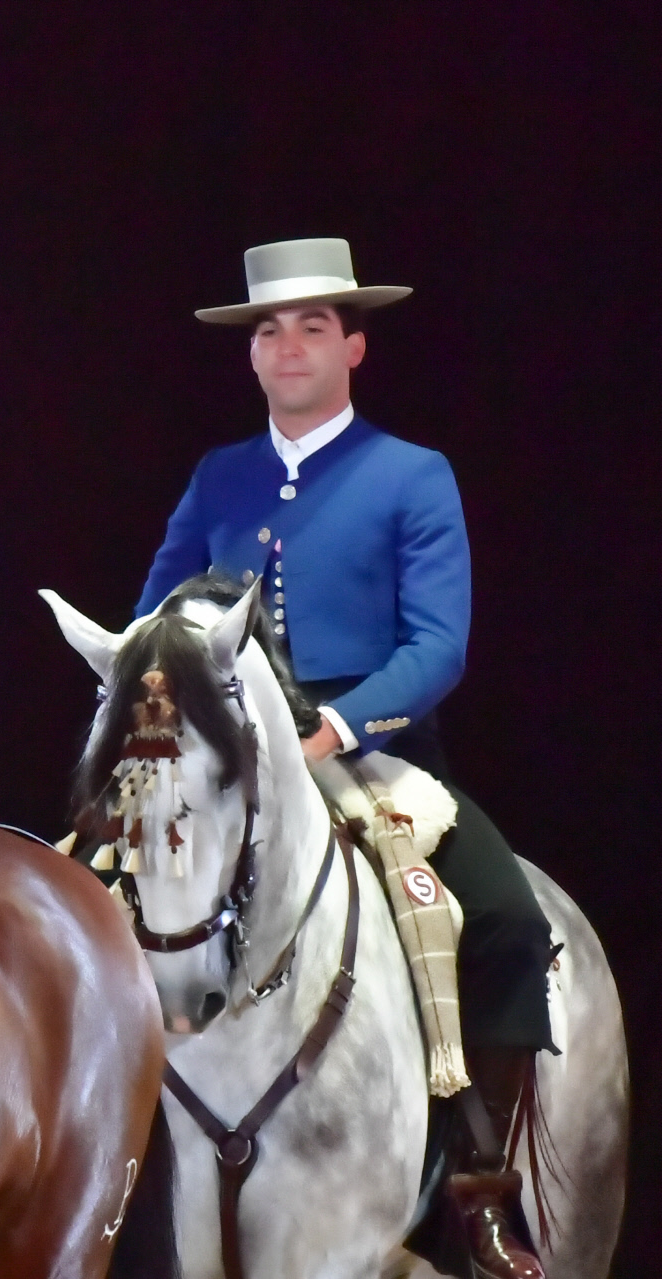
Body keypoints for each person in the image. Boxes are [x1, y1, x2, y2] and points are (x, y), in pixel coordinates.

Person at [140, 236, 554, 1279]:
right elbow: (155, 619)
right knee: (103, 893)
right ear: (252, 354)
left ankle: (478, 1181)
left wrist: (341, 724)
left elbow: (437, 646)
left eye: (312, 327)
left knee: (501, 916)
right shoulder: (219, 476)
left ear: (354, 346)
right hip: (231, 757)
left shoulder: (412, 474)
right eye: (269, 331)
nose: (287, 347)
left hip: (372, 749)